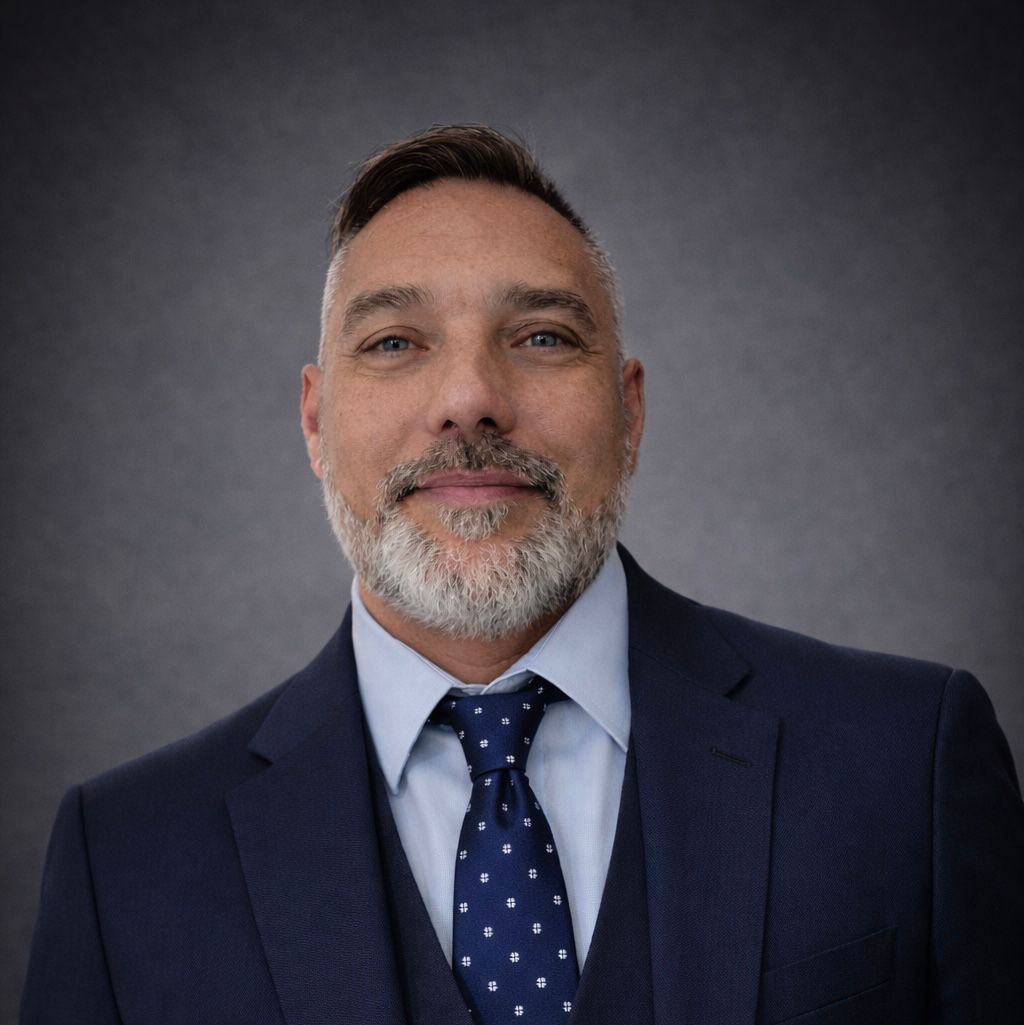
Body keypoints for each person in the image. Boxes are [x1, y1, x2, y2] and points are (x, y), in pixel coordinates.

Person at [21, 125, 1024, 1025]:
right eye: (395, 342)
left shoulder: (906, 762)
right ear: (316, 421)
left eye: (541, 335)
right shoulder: (127, 858)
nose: (468, 398)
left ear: (628, 414)